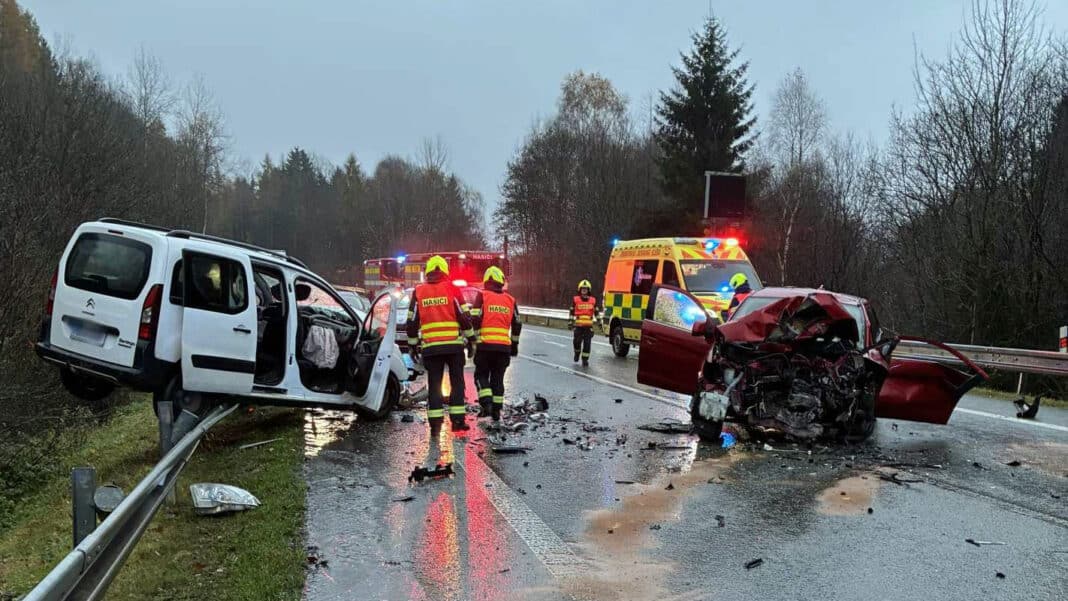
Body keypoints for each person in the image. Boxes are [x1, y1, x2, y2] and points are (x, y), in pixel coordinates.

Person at [406, 256, 477, 438]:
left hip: (431, 348)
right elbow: (464, 316)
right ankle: (458, 422)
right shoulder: (452, 289)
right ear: (445, 272)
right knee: (457, 384)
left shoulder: (419, 291)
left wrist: (413, 345)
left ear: (427, 272)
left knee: (434, 385)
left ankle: (435, 426)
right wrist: (471, 340)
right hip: (453, 348)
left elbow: (412, 321)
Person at [469, 266, 521, 422]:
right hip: (503, 348)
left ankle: (486, 405)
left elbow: (475, 318)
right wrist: (515, 345)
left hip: (485, 346)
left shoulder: (482, 296)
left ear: (486, 282)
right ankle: (497, 412)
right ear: (501, 282)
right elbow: (517, 323)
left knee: (481, 375)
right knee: (498, 379)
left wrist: (474, 339)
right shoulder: (510, 300)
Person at [569, 279, 600, 367]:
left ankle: (585, 360)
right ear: (580, 290)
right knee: (576, 342)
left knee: (587, 345)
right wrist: (570, 322)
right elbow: (571, 312)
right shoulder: (576, 300)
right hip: (578, 326)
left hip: (588, 327)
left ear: (588, 290)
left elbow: (596, 313)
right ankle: (577, 353)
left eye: (586, 289)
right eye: (582, 289)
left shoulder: (593, 301)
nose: (584, 291)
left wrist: (600, 323)